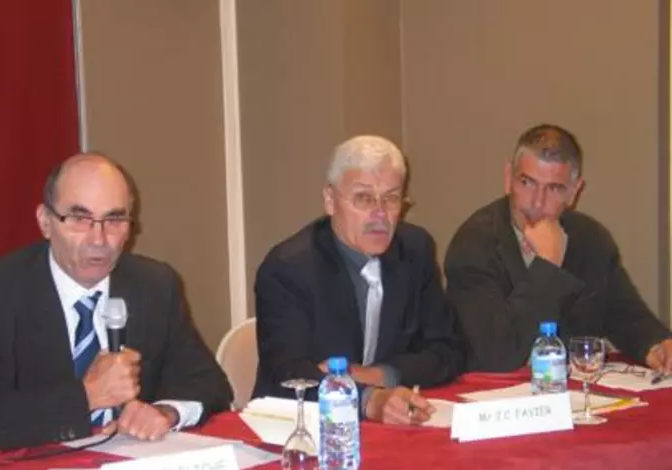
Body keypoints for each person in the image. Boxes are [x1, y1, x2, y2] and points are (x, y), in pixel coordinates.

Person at [0, 153, 233, 449]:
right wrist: (86, 396)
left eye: (114, 219)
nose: (98, 239)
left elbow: (209, 383)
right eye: (79, 218)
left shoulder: (154, 286)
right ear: (45, 222)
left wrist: (166, 412)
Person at [253, 135, 464, 425]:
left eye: (391, 198)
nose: (380, 215)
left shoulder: (414, 250)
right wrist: (368, 399)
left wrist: (378, 376)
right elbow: (290, 376)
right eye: (364, 198)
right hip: (301, 430)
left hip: (394, 430)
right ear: (330, 200)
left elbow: (448, 351)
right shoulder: (289, 269)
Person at [445, 123, 672, 372]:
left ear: (574, 192)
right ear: (508, 178)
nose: (537, 202)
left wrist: (657, 344)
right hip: (494, 399)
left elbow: (623, 313)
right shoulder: (473, 244)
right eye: (527, 183)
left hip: (573, 395)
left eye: (554, 188)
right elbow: (498, 354)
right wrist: (547, 265)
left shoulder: (591, 239)